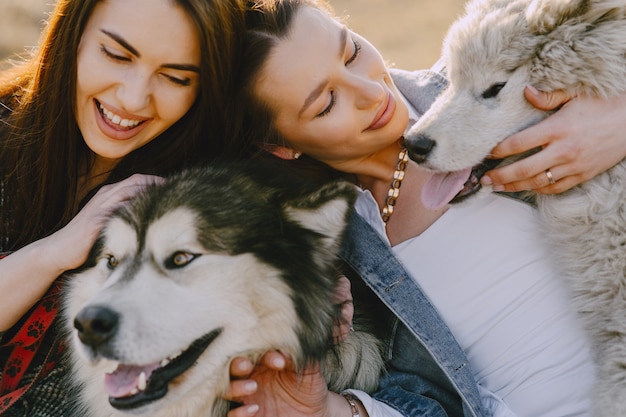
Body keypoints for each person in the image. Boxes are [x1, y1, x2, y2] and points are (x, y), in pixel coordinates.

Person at [222, 0, 626, 416]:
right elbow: (426, 399)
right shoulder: (336, 262)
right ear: (282, 146)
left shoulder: (498, 69)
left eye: (352, 54)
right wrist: (332, 410)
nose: (372, 92)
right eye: (327, 103)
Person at [0, 0, 245, 414]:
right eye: (116, 55)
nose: (133, 99)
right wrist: (56, 251)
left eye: (175, 77)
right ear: (71, 35)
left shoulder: (203, 192)